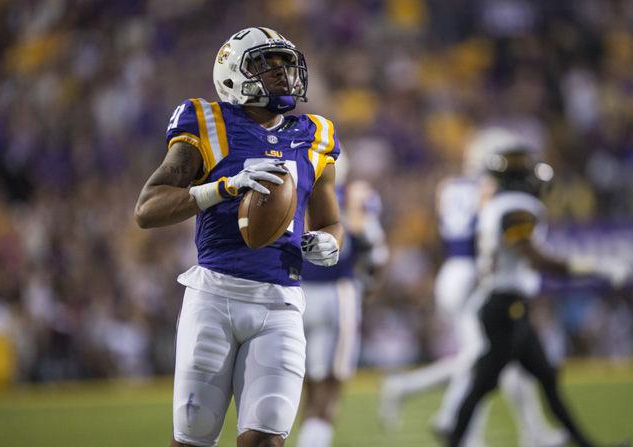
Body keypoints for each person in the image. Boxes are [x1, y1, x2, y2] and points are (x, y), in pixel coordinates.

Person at [134, 27, 344, 447]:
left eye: (285, 63)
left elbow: (330, 221)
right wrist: (224, 187)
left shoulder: (314, 135)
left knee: (267, 440)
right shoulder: (206, 121)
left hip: (280, 301)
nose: (281, 74)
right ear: (232, 72)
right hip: (214, 297)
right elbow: (148, 208)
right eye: (266, 64)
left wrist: (330, 243)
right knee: (193, 440)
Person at [380, 128, 567, 447]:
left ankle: (527, 429)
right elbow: (489, 232)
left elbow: (447, 229)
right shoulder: (489, 188)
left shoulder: (450, 186)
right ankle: (452, 417)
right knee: (487, 357)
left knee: (490, 356)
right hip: (474, 272)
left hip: (452, 270)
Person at [443, 143, 630, 447]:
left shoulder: (497, 206)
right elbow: (538, 260)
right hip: (504, 306)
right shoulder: (515, 208)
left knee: (546, 379)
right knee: (483, 383)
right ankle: (453, 438)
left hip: (508, 303)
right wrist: (597, 268)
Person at [296, 157, 389, 447]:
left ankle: (307, 438)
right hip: (338, 292)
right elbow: (375, 254)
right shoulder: (355, 196)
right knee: (332, 383)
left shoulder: (295, 192)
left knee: (307, 380)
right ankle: (314, 442)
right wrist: (368, 288)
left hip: (297, 293)